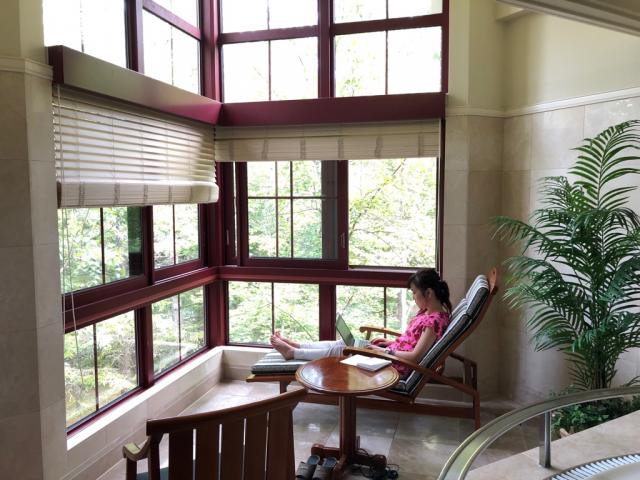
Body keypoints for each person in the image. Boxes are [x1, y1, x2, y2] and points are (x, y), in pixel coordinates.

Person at [270, 269, 452, 376]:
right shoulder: (427, 313)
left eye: (414, 292)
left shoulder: (433, 322)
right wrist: (389, 342)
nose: (413, 297)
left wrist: (383, 351)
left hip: (394, 365)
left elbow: (415, 357)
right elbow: (411, 341)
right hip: (390, 354)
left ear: (428, 293)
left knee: (343, 350)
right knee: (342, 343)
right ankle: (298, 345)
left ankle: (293, 353)